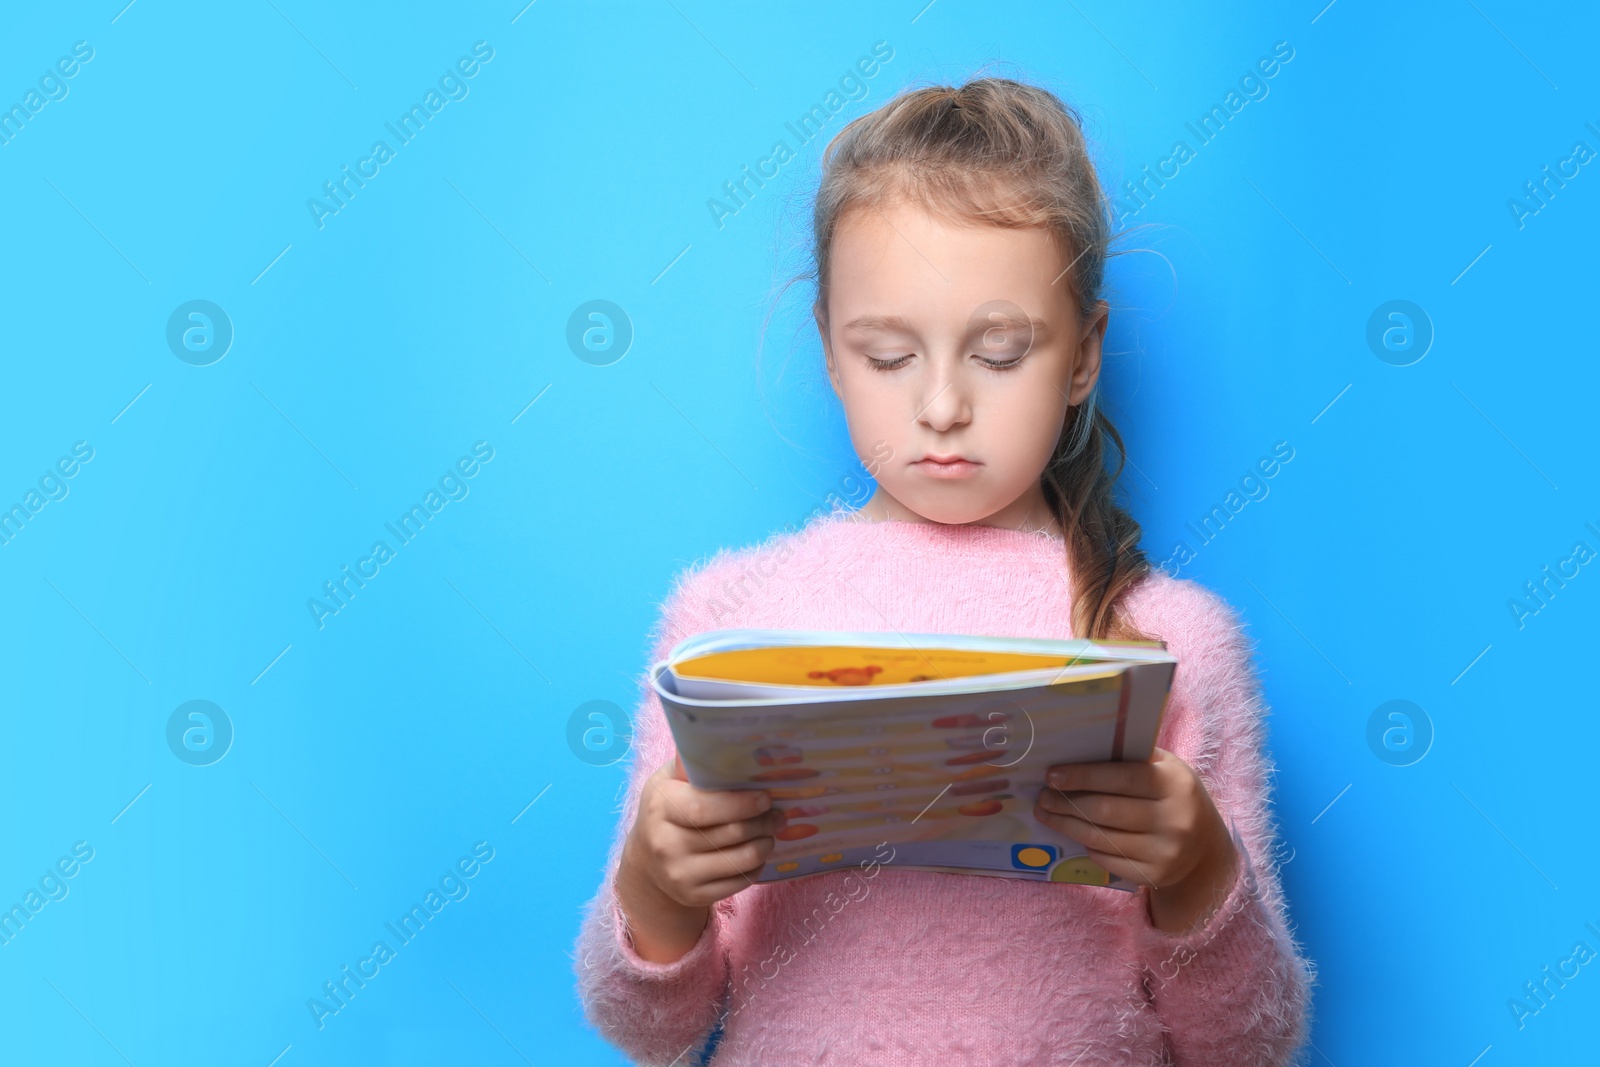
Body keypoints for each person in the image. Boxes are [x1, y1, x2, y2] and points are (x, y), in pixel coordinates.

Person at [573, 76, 1314, 1066]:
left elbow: (1250, 1047)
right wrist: (657, 893)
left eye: (1000, 352)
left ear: (1083, 355)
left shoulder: (1176, 640)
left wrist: (1198, 872)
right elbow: (648, 1029)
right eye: (886, 354)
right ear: (830, 349)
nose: (941, 405)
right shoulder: (727, 620)